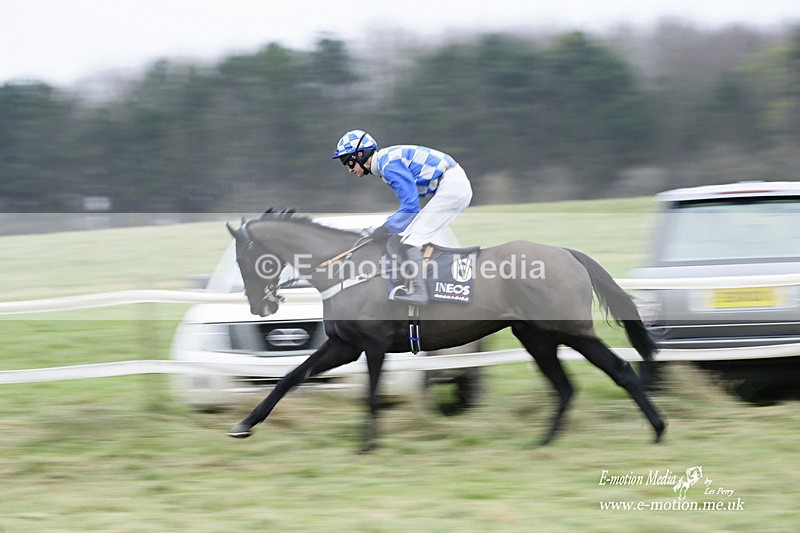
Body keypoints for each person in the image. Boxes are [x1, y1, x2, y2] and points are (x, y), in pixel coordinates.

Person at [332, 129, 473, 305]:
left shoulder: (388, 164)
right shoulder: (384, 163)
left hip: (452, 186)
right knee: (403, 237)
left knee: (410, 241)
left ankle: (421, 293)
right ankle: (411, 285)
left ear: (360, 154)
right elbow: (411, 204)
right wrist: (389, 227)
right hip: (450, 184)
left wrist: (384, 228)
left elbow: (411, 207)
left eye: (348, 162)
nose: (349, 169)